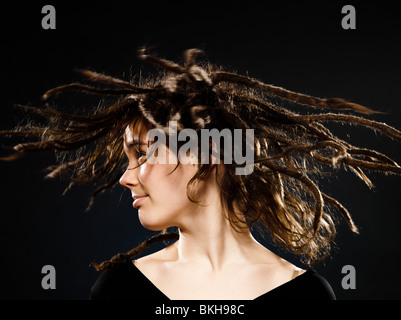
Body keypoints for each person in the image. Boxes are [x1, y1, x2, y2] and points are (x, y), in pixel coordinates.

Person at [2, 48, 400, 300]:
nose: (126, 177)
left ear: (209, 154)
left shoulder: (306, 295)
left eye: (142, 155)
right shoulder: (120, 291)